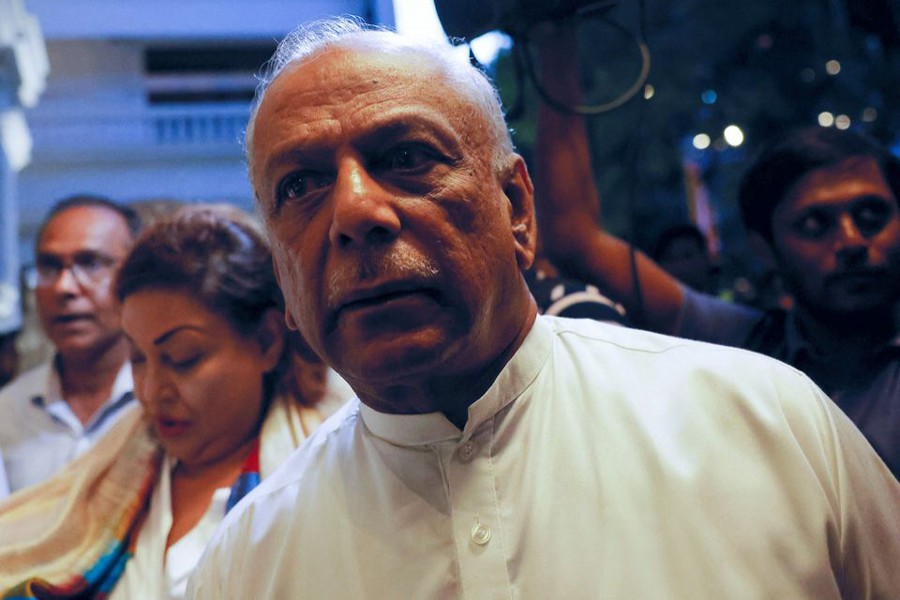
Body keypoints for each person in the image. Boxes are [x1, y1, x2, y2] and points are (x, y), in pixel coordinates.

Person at [188, 17, 900, 598]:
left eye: (407, 157)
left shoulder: (771, 425)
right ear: (282, 275)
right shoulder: (247, 567)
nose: (354, 210)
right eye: (299, 186)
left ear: (518, 210)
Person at [531, 25, 900, 477]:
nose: (851, 243)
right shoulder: (752, 348)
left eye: (871, 216)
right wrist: (554, 35)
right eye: (814, 224)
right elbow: (575, 240)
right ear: (765, 248)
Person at [0, 205, 340, 599]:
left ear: (266, 341)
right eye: (138, 359)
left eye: (182, 358)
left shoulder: (327, 473)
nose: (152, 391)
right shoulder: (115, 470)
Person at [0, 195, 140, 493]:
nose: (64, 287)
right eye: (49, 267)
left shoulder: (164, 406)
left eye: (90, 263)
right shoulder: (7, 414)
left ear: (132, 275)